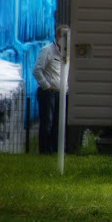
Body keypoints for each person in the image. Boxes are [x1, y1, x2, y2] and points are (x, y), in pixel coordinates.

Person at [32, 25, 69, 154]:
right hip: (48, 93)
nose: (64, 39)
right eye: (62, 36)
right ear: (56, 36)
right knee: (47, 123)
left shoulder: (67, 53)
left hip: (62, 93)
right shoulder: (47, 50)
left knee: (58, 125)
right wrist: (47, 86)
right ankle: (45, 151)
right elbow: (37, 70)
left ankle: (56, 150)